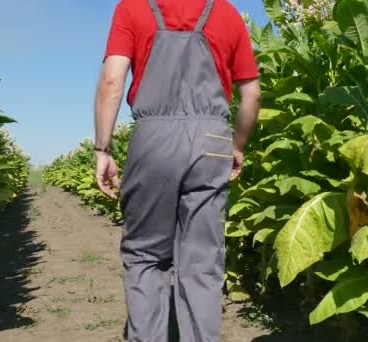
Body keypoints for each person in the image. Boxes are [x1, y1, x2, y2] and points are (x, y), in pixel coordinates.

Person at [92, 0, 260, 341]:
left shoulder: (132, 7)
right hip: (213, 138)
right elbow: (251, 94)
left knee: (144, 253)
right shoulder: (225, 12)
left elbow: (112, 80)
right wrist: (238, 146)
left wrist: (103, 148)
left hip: (154, 136)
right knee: (202, 259)